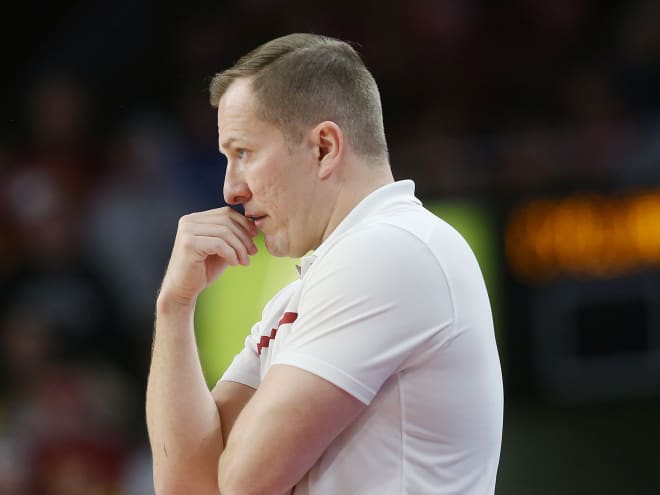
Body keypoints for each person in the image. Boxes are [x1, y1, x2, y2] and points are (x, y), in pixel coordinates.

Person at [146, 33, 503, 495]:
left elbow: (241, 484)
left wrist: (227, 456)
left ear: (324, 148)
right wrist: (174, 306)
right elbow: (190, 489)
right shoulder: (296, 298)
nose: (231, 189)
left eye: (244, 154)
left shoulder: (393, 250)